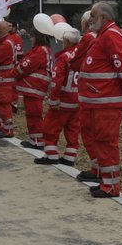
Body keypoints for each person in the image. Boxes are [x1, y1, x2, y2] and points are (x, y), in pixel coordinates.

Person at [78, 2, 122, 198]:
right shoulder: (105, 35)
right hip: (99, 100)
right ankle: (105, 182)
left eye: (93, 15)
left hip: (106, 101)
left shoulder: (110, 35)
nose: (90, 19)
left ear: (104, 18)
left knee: (106, 142)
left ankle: (110, 186)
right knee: (100, 141)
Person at [37, 26, 83, 166]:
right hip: (78, 99)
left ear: (68, 41)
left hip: (63, 99)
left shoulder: (64, 57)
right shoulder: (83, 55)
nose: (63, 42)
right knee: (73, 129)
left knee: (50, 128)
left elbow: (57, 79)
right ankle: (69, 158)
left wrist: (54, 98)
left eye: (64, 40)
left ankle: (51, 156)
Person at [15, 28, 52, 150]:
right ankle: (34, 139)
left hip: (35, 87)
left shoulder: (41, 50)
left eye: (32, 36)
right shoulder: (41, 49)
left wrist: (14, 72)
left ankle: (37, 141)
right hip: (33, 88)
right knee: (32, 114)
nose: (30, 39)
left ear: (38, 37)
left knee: (34, 115)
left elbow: (26, 65)